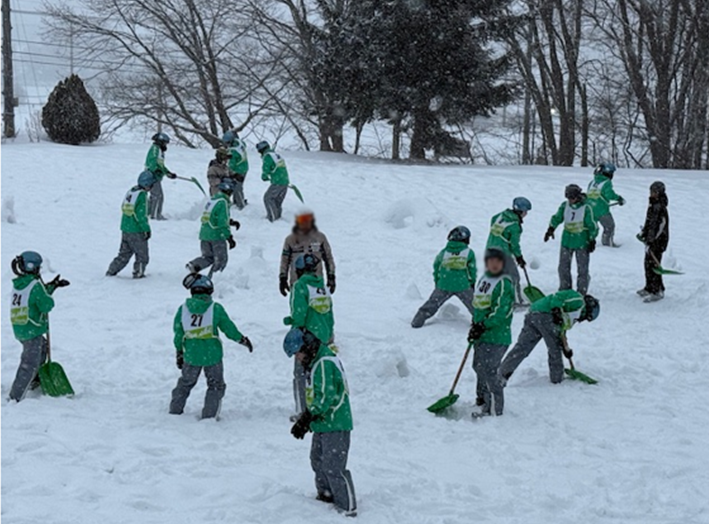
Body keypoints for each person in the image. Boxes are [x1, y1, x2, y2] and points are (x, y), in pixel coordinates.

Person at [285, 328, 357, 517]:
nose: (297, 359)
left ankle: (347, 507)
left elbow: (325, 397)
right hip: (323, 422)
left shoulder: (324, 362)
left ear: (306, 347)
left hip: (335, 423)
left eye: (297, 354)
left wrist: (306, 418)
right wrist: (309, 420)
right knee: (317, 460)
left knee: (333, 466)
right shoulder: (315, 361)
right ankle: (326, 496)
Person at [170, 274, 253, 419]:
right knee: (215, 385)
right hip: (212, 355)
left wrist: (179, 352)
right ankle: (209, 415)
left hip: (191, 355)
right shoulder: (215, 308)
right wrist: (242, 340)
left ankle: (175, 411)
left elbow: (178, 333)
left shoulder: (183, 310)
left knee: (185, 383)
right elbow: (228, 328)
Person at [499, 291, 600, 384]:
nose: (583, 319)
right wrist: (556, 309)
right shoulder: (578, 300)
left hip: (533, 314)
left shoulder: (574, 314)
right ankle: (557, 379)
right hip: (545, 315)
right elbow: (558, 296)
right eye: (588, 316)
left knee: (522, 347)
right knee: (554, 349)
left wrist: (566, 348)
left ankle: (502, 373)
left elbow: (561, 330)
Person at [8, 251, 70, 402]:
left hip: (22, 328)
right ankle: (15, 396)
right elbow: (45, 305)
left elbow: (35, 296)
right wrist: (49, 298)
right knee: (28, 363)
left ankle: (35, 378)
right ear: (33, 267)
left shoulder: (21, 284)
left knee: (42, 347)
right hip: (32, 330)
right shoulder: (35, 285)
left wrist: (52, 286)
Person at [284, 254, 334, 419]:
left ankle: (303, 411)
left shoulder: (300, 286)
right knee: (318, 374)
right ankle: (320, 407)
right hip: (323, 338)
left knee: (300, 375)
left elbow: (299, 314)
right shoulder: (322, 288)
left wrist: (293, 328)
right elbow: (329, 314)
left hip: (306, 339)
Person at [467, 248, 515, 417]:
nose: (494, 264)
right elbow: (478, 306)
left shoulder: (504, 283)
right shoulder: (484, 280)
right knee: (478, 366)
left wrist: (483, 325)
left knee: (489, 370)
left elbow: (501, 312)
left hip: (497, 335)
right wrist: (475, 325)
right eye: (491, 261)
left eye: (498, 261)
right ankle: (482, 400)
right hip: (482, 334)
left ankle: (494, 408)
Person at [411, 226, 476, 328]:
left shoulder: (444, 253)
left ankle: (417, 321)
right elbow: (472, 270)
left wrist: (438, 282)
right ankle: (483, 324)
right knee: (475, 306)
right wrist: (471, 283)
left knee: (432, 304)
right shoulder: (469, 253)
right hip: (462, 285)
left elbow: (436, 267)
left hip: (444, 284)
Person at [545, 184, 598, 295]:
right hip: (567, 241)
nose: (570, 200)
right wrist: (551, 228)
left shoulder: (586, 208)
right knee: (563, 267)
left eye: (572, 198)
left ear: (578, 196)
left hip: (581, 242)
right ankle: (565, 289)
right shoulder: (565, 206)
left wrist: (592, 239)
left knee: (582, 269)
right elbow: (557, 217)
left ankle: (581, 292)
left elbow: (592, 225)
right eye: (568, 198)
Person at [107, 171, 156, 279]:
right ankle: (138, 273)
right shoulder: (142, 195)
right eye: (151, 185)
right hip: (136, 230)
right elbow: (141, 215)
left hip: (126, 228)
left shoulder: (132, 191)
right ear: (147, 184)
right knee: (142, 255)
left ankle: (112, 270)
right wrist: (146, 229)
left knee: (124, 253)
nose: (152, 187)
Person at [186, 180, 240, 276]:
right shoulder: (223, 202)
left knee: (208, 257)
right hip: (216, 235)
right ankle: (213, 280)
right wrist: (229, 237)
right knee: (221, 260)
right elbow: (222, 222)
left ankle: (194, 265)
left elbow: (213, 216)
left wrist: (230, 222)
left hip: (205, 233)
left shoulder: (213, 200)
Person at [279, 209, 336, 297]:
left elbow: (329, 258)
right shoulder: (290, 240)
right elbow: (284, 261)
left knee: (318, 305)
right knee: (299, 305)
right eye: (302, 220)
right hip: (297, 283)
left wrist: (331, 276)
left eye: (307, 220)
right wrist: (283, 278)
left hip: (316, 282)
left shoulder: (320, 238)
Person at [485, 197, 532, 304]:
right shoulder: (514, 226)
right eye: (525, 211)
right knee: (514, 278)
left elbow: (492, 220)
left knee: (497, 278)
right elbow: (514, 245)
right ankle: (516, 302)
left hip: (490, 251)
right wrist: (519, 258)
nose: (526, 214)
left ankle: (494, 300)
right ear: (520, 211)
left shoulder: (500, 216)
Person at [637, 181, 670, 303]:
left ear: (660, 193)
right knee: (647, 264)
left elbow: (660, 227)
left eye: (654, 192)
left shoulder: (660, 207)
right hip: (651, 241)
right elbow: (649, 222)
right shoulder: (652, 204)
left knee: (655, 266)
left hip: (658, 241)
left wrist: (651, 239)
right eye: (651, 191)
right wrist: (644, 233)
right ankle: (649, 287)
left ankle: (657, 290)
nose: (652, 194)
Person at [587, 162, 625, 247]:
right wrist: (619, 198)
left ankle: (587, 241)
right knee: (609, 226)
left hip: (590, 208)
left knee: (591, 226)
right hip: (601, 209)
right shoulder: (606, 182)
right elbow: (609, 194)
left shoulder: (592, 182)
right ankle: (607, 244)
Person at [145, 132, 177, 220]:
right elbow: (152, 162)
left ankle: (152, 213)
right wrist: (156, 170)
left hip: (156, 176)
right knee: (157, 195)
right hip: (152, 176)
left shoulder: (160, 151)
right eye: (165, 143)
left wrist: (168, 173)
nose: (165, 145)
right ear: (160, 142)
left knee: (159, 196)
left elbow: (161, 165)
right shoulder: (155, 149)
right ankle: (154, 216)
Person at [257, 140, 289, 222]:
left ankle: (272, 218)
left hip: (278, 181)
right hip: (284, 181)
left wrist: (264, 176)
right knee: (277, 200)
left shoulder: (268, 156)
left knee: (268, 198)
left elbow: (266, 168)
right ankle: (277, 216)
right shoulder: (275, 155)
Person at [222, 130, 249, 209]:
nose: (226, 144)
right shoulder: (239, 143)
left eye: (227, 142)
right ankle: (236, 201)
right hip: (245, 167)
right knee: (237, 185)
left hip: (238, 170)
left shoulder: (233, 151)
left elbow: (231, 164)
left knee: (237, 187)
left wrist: (228, 171)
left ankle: (240, 204)